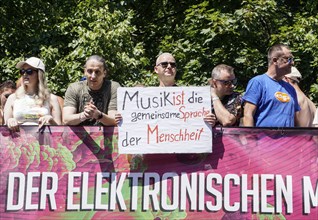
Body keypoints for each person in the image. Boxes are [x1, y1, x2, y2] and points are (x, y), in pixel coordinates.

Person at [115, 52, 217, 126]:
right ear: (156, 69)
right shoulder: (146, 97)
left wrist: (208, 122)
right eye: (164, 64)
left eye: (172, 64)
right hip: (153, 150)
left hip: (181, 149)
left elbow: (196, 122)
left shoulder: (190, 97)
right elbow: (134, 121)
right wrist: (122, 118)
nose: (169, 67)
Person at [242, 44, 300, 127]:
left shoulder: (290, 88)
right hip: (263, 139)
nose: (292, 62)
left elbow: (296, 121)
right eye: (288, 59)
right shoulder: (258, 82)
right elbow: (248, 115)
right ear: (275, 60)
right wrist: (250, 139)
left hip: (287, 139)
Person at [4, 57, 62, 131]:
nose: (25, 74)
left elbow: (60, 131)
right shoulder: (13, 98)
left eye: (29, 71)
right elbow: (4, 130)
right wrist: (10, 121)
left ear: (39, 74)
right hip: (18, 141)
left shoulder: (51, 99)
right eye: (22, 71)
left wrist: (51, 120)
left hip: (44, 141)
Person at [63, 55, 120, 126]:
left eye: (97, 72)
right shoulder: (74, 88)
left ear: (104, 73)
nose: (93, 76)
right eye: (90, 71)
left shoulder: (113, 88)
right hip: (79, 135)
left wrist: (99, 115)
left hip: (107, 135)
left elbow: (115, 121)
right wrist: (83, 115)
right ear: (84, 72)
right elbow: (66, 120)